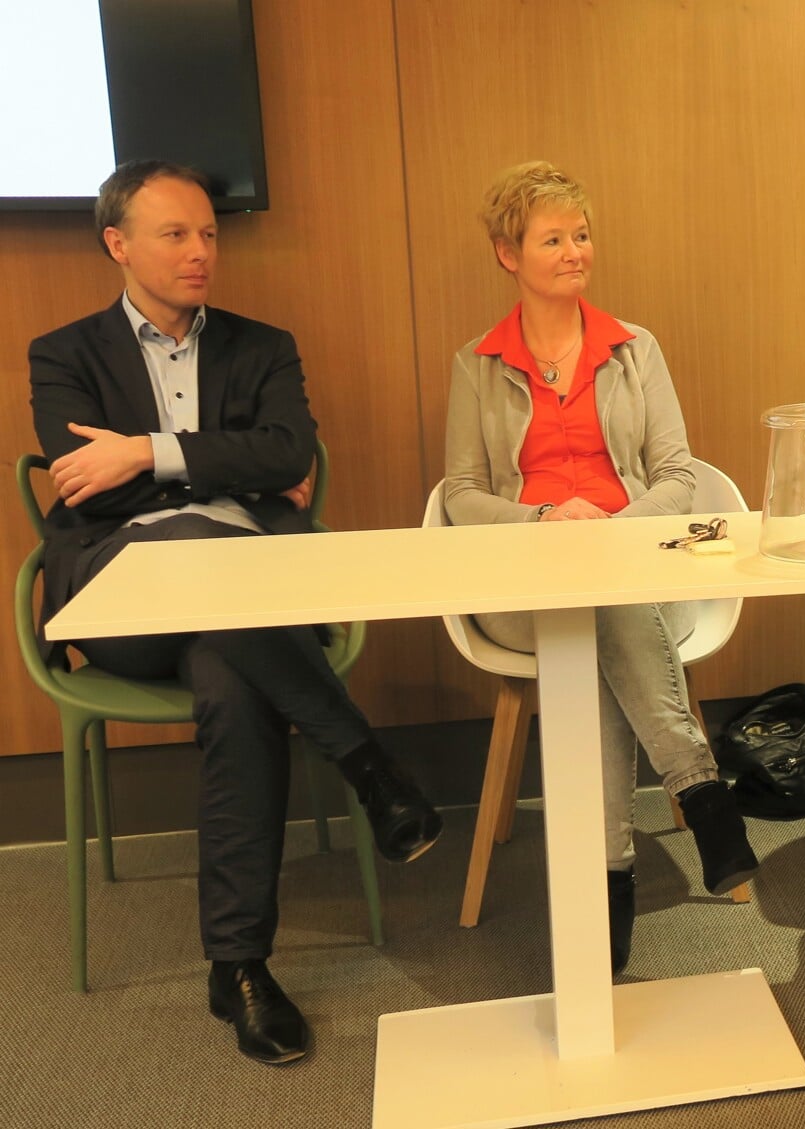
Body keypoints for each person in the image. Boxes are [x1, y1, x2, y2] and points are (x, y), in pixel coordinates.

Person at [27, 161, 442, 1066]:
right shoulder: (63, 354)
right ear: (118, 244)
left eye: (208, 232)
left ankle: (241, 965)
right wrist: (222, 462)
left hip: (243, 605)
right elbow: (86, 492)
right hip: (122, 592)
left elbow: (292, 448)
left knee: (233, 680)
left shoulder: (262, 346)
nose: (200, 251)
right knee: (192, 551)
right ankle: (366, 761)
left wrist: (145, 452)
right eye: (175, 233)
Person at [443, 161, 758, 974]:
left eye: (581, 235)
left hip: (640, 571)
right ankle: (698, 788)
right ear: (508, 254)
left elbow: (681, 477)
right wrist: (547, 519)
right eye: (554, 238)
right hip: (527, 584)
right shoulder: (476, 364)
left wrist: (610, 533)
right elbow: (465, 496)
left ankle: (606, 888)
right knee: (591, 608)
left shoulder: (633, 349)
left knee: (603, 608)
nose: (576, 250)